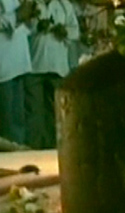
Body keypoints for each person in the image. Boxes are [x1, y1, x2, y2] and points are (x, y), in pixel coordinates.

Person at [25, 0, 79, 149]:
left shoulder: (64, 5)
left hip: (58, 67)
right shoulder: (31, 4)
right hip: (35, 66)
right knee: (34, 112)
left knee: (55, 111)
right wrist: (37, 27)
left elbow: (76, 32)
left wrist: (65, 31)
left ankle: (54, 147)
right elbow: (21, 29)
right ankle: (34, 148)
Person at [0, 0, 32, 145]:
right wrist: (17, 16)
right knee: (7, 124)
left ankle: (18, 158)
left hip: (18, 64)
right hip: (3, 67)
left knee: (19, 122)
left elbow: (25, 26)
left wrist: (29, 16)